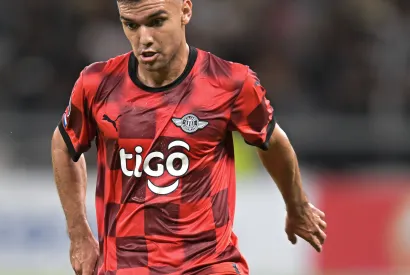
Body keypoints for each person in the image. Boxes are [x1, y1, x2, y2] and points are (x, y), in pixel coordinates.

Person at [51, 0, 327, 274]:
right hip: (127, 266)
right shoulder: (97, 84)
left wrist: (297, 205)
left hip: (208, 264)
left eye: (157, 22)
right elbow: (64, 145)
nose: (144, 38)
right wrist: (79, 234)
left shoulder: (230, 82)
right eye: (131, 25)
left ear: (185, 11)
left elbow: (273, 141)